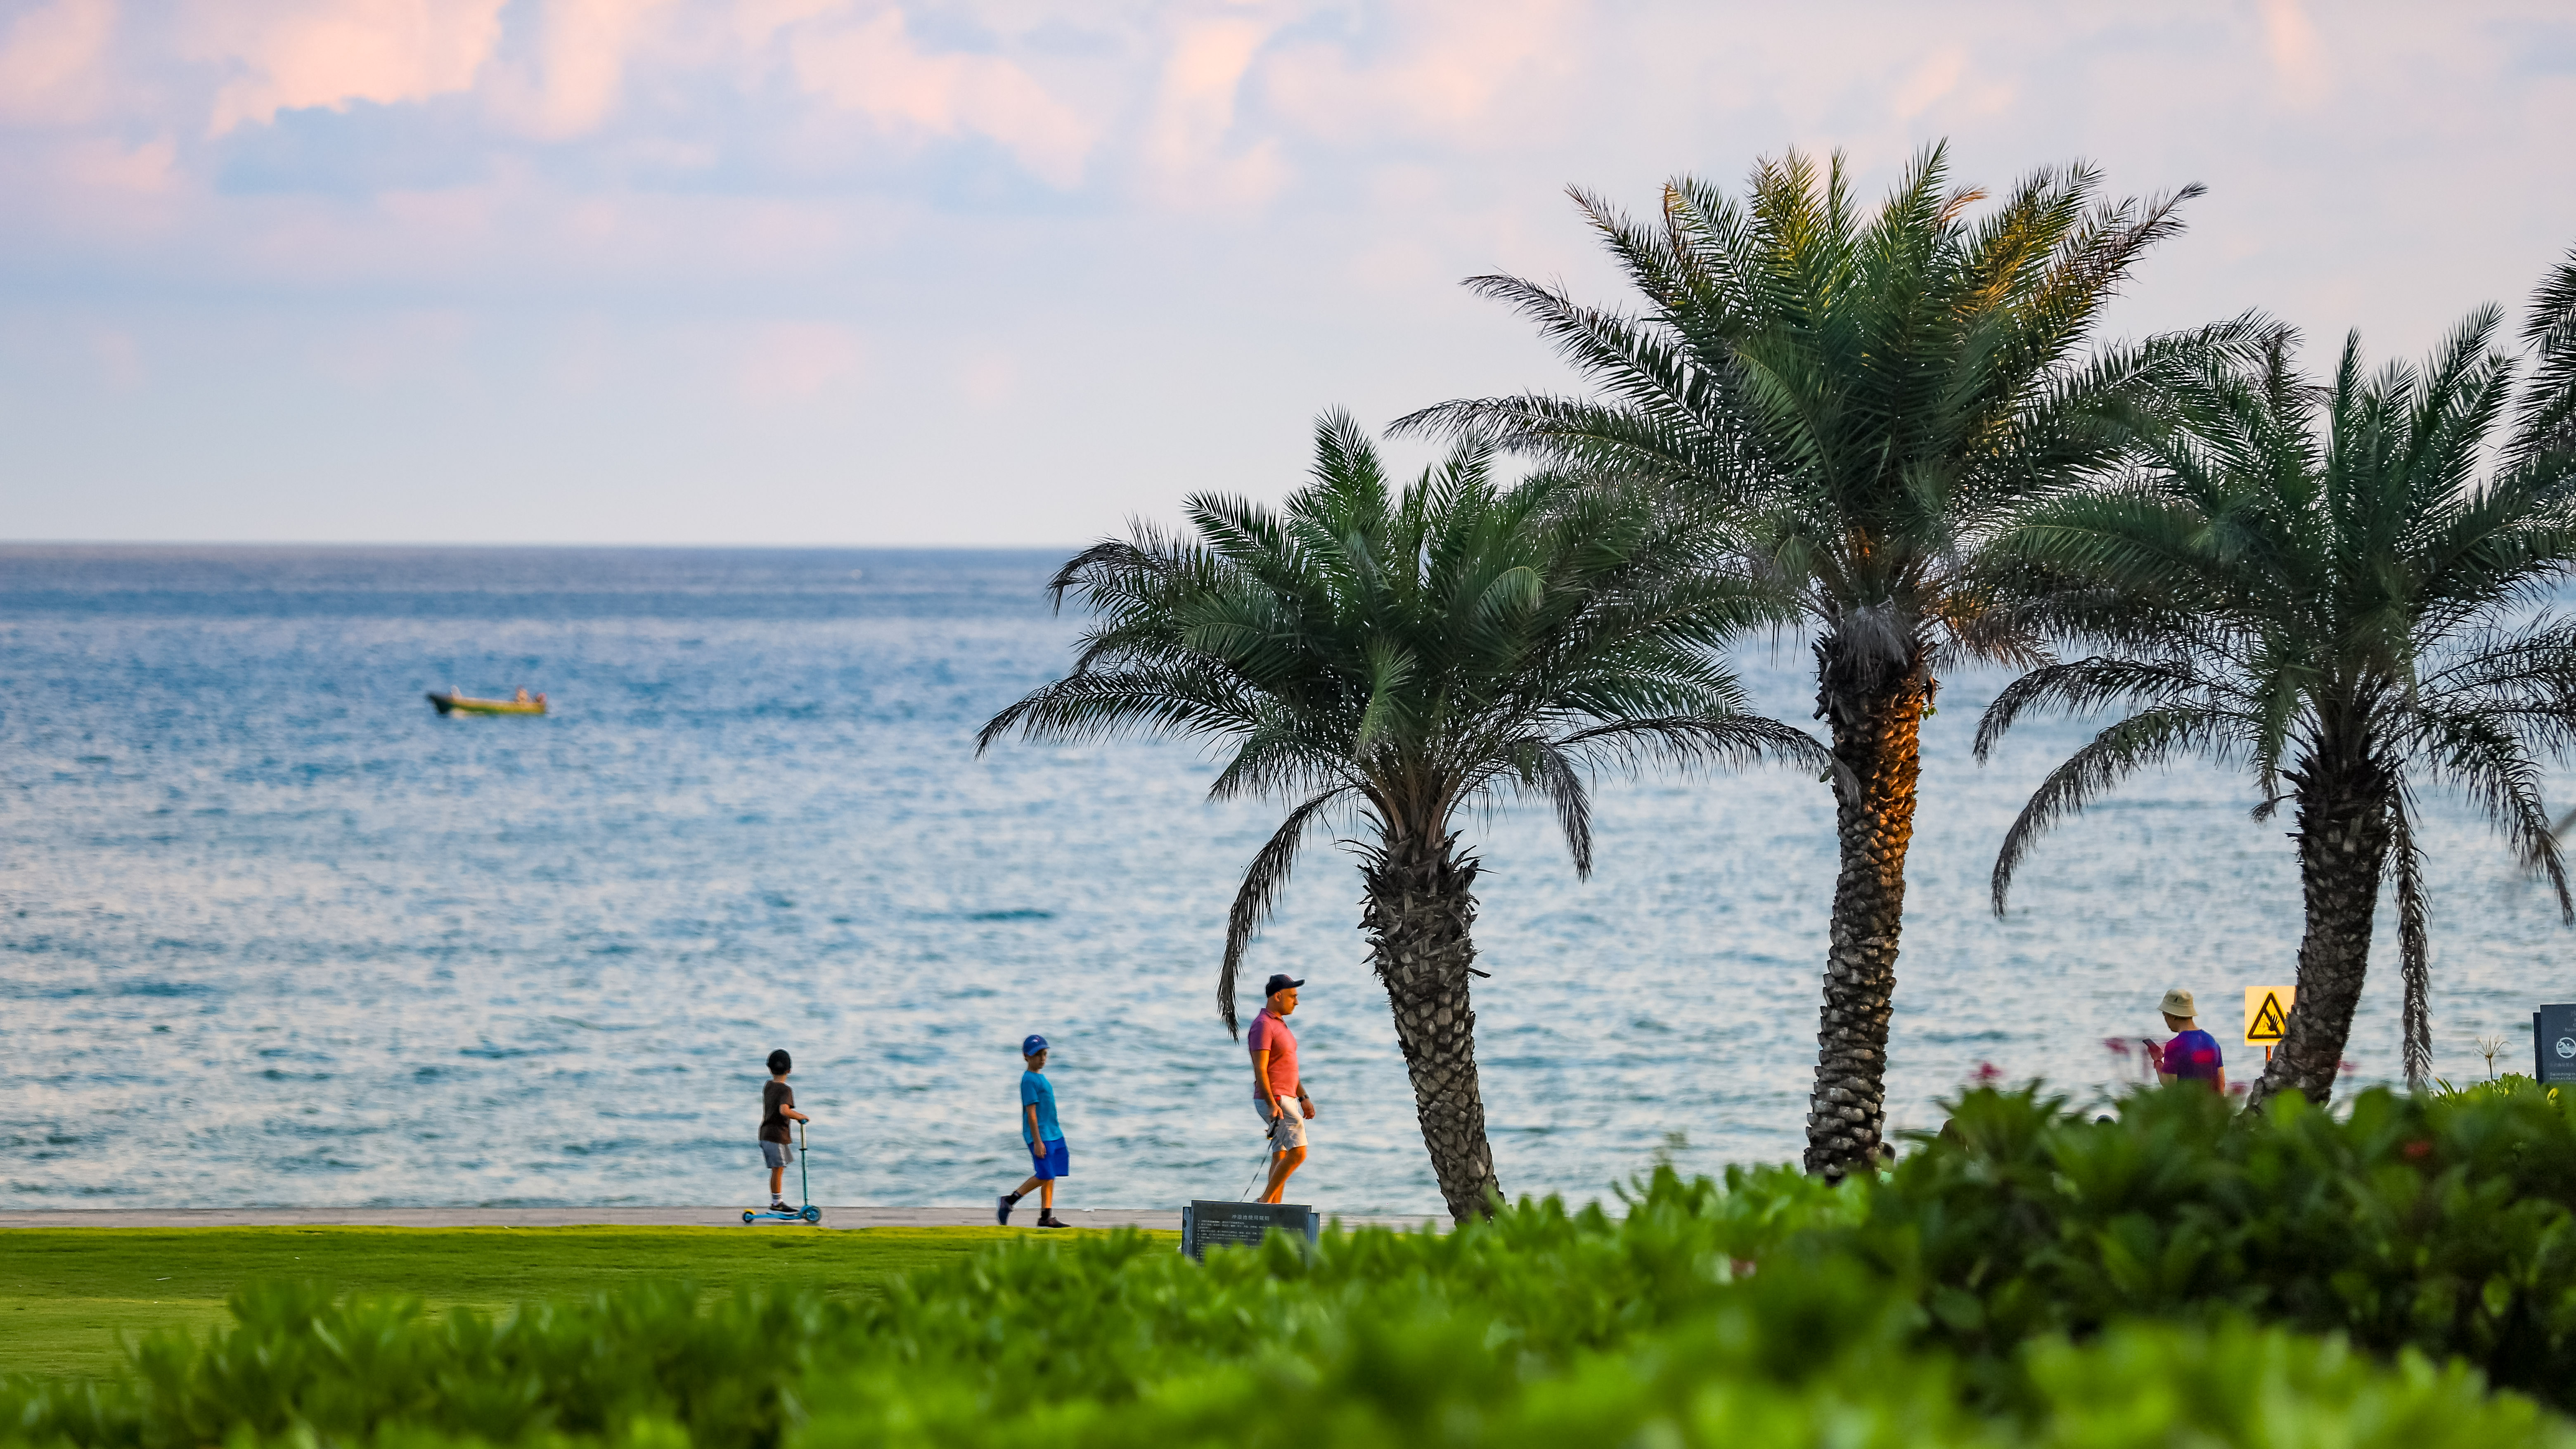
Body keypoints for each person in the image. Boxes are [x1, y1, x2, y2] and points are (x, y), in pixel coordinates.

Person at [1246, 973, 1316, 1203]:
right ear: (1278, 996)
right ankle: (1264, 1202)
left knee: (1282, 1153)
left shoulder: (1278, 1024)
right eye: (1293, 996)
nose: (1296, 1002)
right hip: (1276, 1098)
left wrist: (1303, 1096)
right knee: (1299, 1152)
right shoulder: (1263, 1026)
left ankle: (1273, 1211)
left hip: (1286, 1096)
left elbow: (1288, 1069)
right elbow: (1261, 1070)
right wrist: (1272, 1104)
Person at [997, 1034, 1068, 1228]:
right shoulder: (1029, 1080)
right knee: (1045, 1173)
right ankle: (1009, 1201)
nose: (1042, 1058)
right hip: (1041, 1135)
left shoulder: (1041, 1077)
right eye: (1038, 1055)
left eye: (1045, 1054)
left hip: (1054, 1133)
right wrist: (1037, 1141)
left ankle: (1046, 1216)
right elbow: (1032, 1113)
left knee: (1051, 1174)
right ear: (1026, 1056)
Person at [760, 1048, 810, 1212]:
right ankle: (777, 1203)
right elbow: (784, 1111)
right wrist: (800, 1116)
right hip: (775, 1136)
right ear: (790, 1070)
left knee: (779, 1168)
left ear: (769, 1068)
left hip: (768, 1134)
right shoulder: (785, 1090)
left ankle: (777, 1201)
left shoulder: (768, 1086)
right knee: (778, 1168)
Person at [2150, 988, 2227, 1091]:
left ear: (2173, 1016)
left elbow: (2170, 1085)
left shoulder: (2175, 1046)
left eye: (2165, 1015)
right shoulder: (2212, 1042)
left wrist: (2157, 1060)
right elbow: (2221, 1084)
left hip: (2187, 1107)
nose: (2166, 1021)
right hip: (2211, 1106)